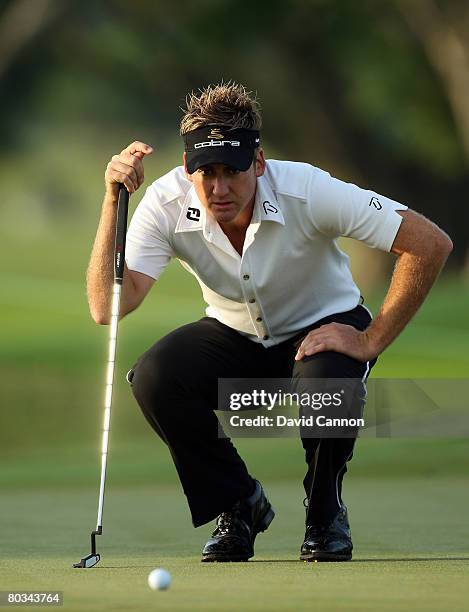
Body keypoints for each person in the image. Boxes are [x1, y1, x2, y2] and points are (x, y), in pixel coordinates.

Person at [86, 82, 452, 562]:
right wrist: (113, 200)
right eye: (206, 172)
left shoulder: (309, 189)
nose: (219, 188)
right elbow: (107, 305)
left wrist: (370, 338)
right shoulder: (165, 203)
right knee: (155, 376)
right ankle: (239, 505)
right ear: (186, 166)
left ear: (258, 162)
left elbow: (429, 243)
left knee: (329, 382)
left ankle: (325, 514)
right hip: (235, 333)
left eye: (232, 172)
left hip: (324, 326)